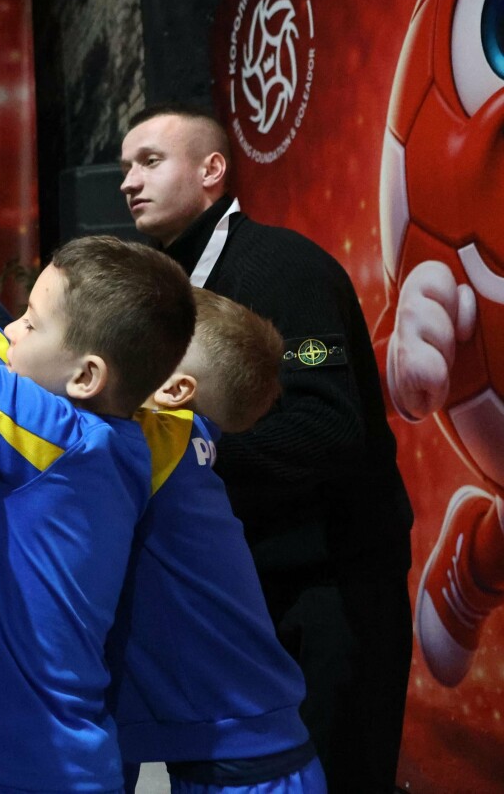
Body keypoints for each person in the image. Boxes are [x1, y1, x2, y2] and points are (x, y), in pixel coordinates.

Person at [118, 104, 414, 791]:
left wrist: (187, 455)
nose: (129, 181)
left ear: (212, 169)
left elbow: (328, 427)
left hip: (329, 594)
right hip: (244, 593)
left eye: (150, 161)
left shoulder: (284, 269)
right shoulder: (172, 288)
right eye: (126, 166)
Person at [0, 233, 197, 792]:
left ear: (87, 377)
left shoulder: (63, 443)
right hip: (45, 759)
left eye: (30, 322)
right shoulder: (107, 434)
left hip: (30, 766)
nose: (11, 329)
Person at [111, 288, 325, 793]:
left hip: (253, 768)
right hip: (237, 752)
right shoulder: (183, 447)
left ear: (174, 390)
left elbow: (34, 388)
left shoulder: (158, 443)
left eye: (134, 342)